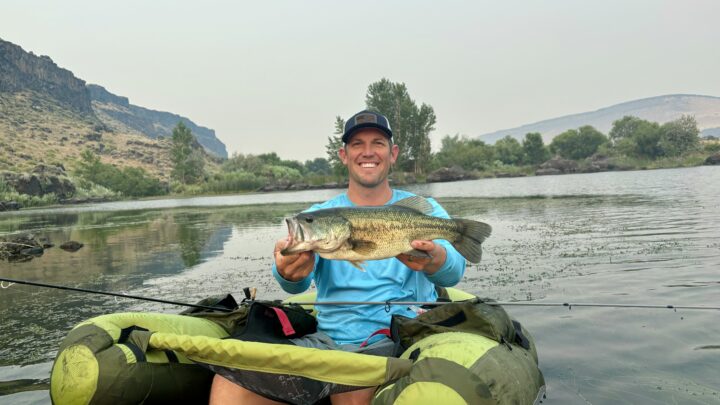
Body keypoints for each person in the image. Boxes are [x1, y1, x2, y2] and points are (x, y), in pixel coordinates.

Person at [209, 110, 467, 405]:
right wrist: (288, 273)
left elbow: (453, 272)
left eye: (378, 143)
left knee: (353, 388)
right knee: (229, 384)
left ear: (393, 153)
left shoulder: (425, 209)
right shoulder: (320, 213)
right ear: (344, 155)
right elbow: (294, 286)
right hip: (329, 341)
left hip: (396, 334)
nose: (367, 152)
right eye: (357, 144)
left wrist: (435, 258)